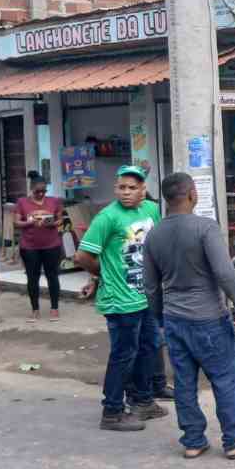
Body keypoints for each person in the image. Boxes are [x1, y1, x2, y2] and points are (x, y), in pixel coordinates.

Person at [143, 172, 235, 460]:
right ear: (192, 194)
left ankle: (193, 441)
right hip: (209, 320)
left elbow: (151, 287)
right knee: (225, 379)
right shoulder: (205, 228)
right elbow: (225, 273)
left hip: (175, 319)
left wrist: (161, 320)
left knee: (184, 382)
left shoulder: (153, 235)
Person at [75, 166, 167, 431]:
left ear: (143, 191)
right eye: (121, 187)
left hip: (145, 296)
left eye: (132, 188)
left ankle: (143, 401)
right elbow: (82, 256)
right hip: (120, 299)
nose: (125, 192)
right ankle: (112, 411)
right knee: (123, 355)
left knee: (150, 346)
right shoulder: (107, 217)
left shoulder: (150, 210)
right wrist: (101, 276)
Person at [15, 171, 64, 322]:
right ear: (31, 189)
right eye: (38, 191)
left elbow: (60, 219)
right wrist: (30, 222)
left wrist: (53, 223)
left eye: (44, 191)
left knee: (52, 276)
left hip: (52, 244)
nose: (41, 194)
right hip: (29, 247)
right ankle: (35, 309)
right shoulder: (22, 202)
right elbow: (16, 223)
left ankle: (54, 308)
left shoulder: (54, 201)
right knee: (32, 278)